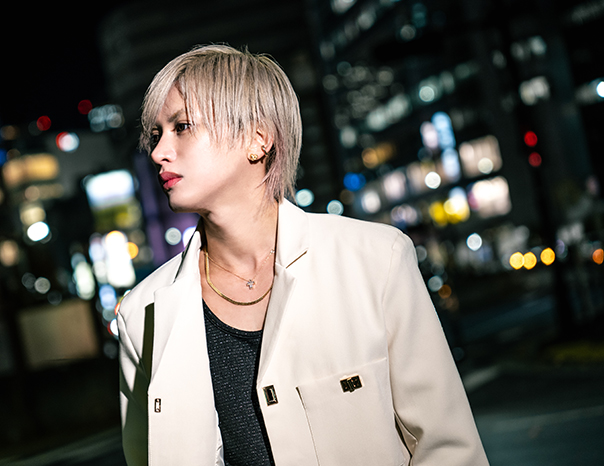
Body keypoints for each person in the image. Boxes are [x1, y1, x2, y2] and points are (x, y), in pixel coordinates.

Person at [117, 44, 489, 466]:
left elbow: (448, 449)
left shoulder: (375, 260)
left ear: (257, 139)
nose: (158, 152)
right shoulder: (142, 315)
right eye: (156, 135)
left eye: (182, 127)